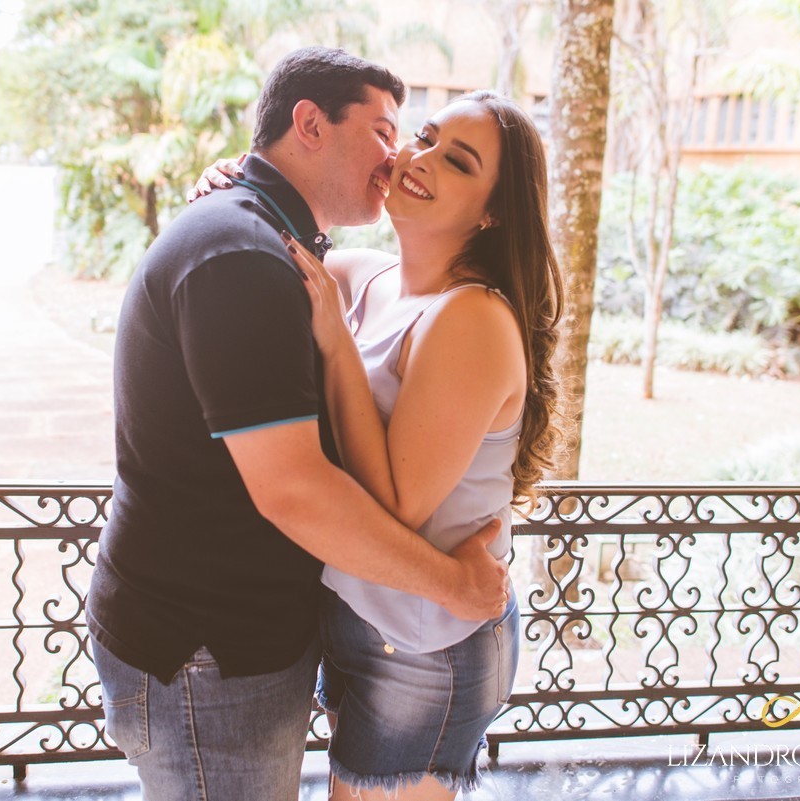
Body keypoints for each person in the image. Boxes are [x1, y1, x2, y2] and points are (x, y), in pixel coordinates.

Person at [86, 47, 510, 801]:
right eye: (388, 133)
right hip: (206, 650)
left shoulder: (287, 246)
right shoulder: (243, 254)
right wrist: (456, 584)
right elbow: (295, 489)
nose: (400, 156)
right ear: (309, 124)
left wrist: (242, 182)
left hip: (304, 641)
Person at [194, 90, 563, 799]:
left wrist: (335, 343)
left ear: (491, 213)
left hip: (427, 638)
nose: (418, 160)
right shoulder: (368, 277)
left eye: (456, 161)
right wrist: (236, 183)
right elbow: (264, 250)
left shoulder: (472, 318)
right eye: (422, 137)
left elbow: (397, 500)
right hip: (365, 611)